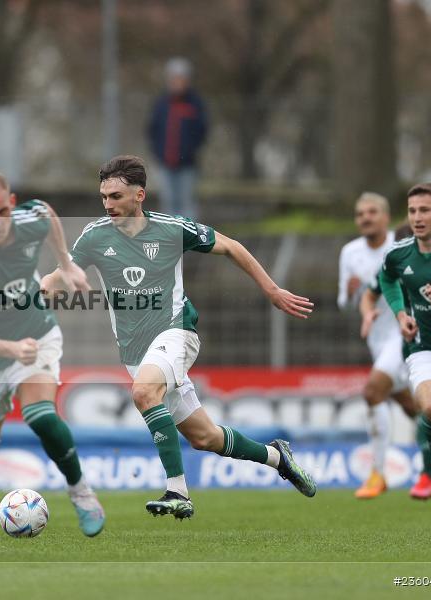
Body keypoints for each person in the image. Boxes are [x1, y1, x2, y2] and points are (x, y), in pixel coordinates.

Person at [41, 155, 316, 520]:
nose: (108, 205)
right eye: (104, 197)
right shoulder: (95, 236)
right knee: (205, 437)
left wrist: (272, 290)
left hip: (176, 332)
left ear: (140, 195)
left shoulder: (172, 228)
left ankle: (178, 492)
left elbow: (232, 246)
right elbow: (61, 275)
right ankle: (278, 457)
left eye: (116, 196)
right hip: (136, 351)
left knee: (143, 392)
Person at [0, 170, 105, 556]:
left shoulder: (28, 221)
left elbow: (47, 212)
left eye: (1, 211)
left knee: (40, 414)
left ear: (11, 204)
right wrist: (10, 349)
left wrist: (66, 264)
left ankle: (81, 491)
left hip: (37, 332)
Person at [358, 221, 431, 500]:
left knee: (422, 411)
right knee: (426, 408)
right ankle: (429, 473)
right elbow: (371, 294)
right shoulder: (394, 263)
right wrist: (369, 313)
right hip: (412, 344)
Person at [338, 193, 419, 498]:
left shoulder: (398, 247)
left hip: (404, 334)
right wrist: (351, 294)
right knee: (417, 408)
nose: (365, 218)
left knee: (372, 392)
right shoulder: (350, 252)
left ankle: (378, 473)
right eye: (360, 214)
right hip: (376, 339)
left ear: (386, 217)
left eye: (372, 212)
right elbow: (344, 303)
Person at [146, 57, 208, 220]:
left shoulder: (195, 104)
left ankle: (188, 241)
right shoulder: (161, 103)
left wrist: (189, 151)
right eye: (174, 78)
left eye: (181, 78)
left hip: (187, 165)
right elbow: (152, 130)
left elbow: (202, 131)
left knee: (187, 203)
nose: (177, 82)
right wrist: (158, 154)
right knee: (168, 203)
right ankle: (172, 241)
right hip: (165, 164)